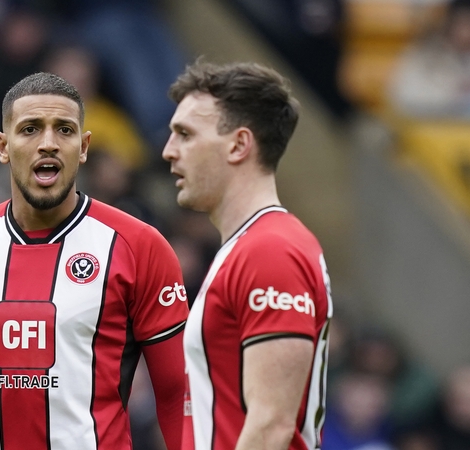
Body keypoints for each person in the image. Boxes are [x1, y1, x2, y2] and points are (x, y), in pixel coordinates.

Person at [0, 72, 188, 450]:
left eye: (64, 130)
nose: (48, 144)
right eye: (30, 129)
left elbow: (177, 394)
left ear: (84, 146)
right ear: (3, 146)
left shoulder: (139, 247)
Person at [161, 61, 333, 450]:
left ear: (239, 145)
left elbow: (271, 426)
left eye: (184, 135)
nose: (168, 151)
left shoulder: (269, 251)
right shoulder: (251, 246)